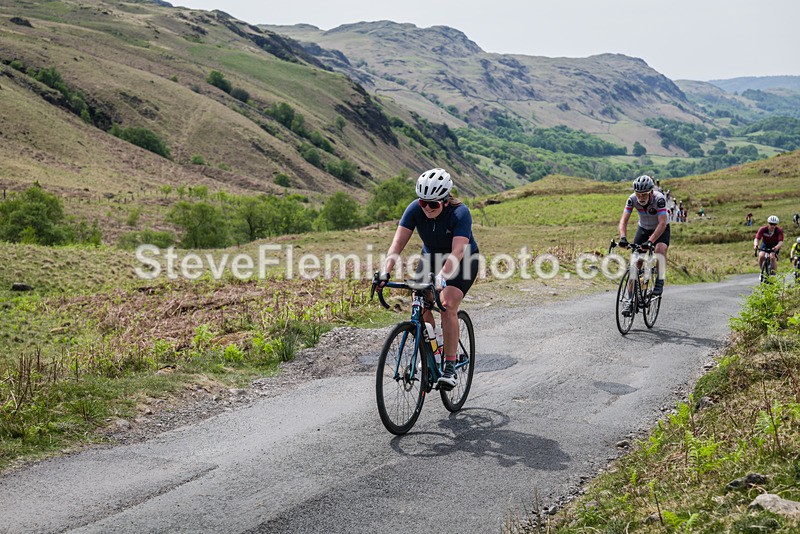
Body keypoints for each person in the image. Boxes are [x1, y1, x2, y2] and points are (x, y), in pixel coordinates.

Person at [377, 168, 479, 389]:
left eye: (433, 204)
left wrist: (443, 276)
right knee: (419, 302)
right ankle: (436, 347)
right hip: (431, 258)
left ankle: (450, 366)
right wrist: (385, 271)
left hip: (463, 260)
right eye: (424, 203)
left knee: (447, 303)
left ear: (444, 201)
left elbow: (458, 252)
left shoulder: (460, 213)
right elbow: (397, 244)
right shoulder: (415, 209)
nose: (427, 209)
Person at [617, 175, 670, 316]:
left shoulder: (659, 199)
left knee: (659, 250)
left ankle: (659, 281)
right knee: (635, 264)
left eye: (644, 194)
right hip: (643, 229)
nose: (640, 197)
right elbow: (623, 220)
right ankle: (629, 301)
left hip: (660, 229)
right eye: (638, 194)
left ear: (651, 192)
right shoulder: (632, 199)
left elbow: (662, 223)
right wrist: (623, 237)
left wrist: (651, 241)